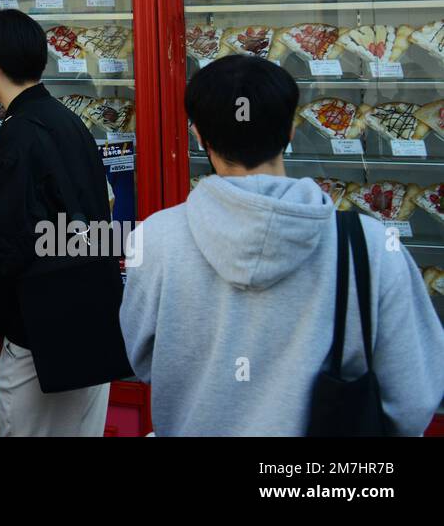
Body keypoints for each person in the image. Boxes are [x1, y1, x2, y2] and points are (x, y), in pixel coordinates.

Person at [121, 56, 444, 436]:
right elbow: (414, 395)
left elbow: (144, 361)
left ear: (199, 136)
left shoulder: (155, 237)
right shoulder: (369, 244)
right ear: (290, 131)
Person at [0, 9, 129, 437]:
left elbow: (2, 241)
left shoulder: (19, 132)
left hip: (41, 331)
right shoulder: (69, 121)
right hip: (93, 322)